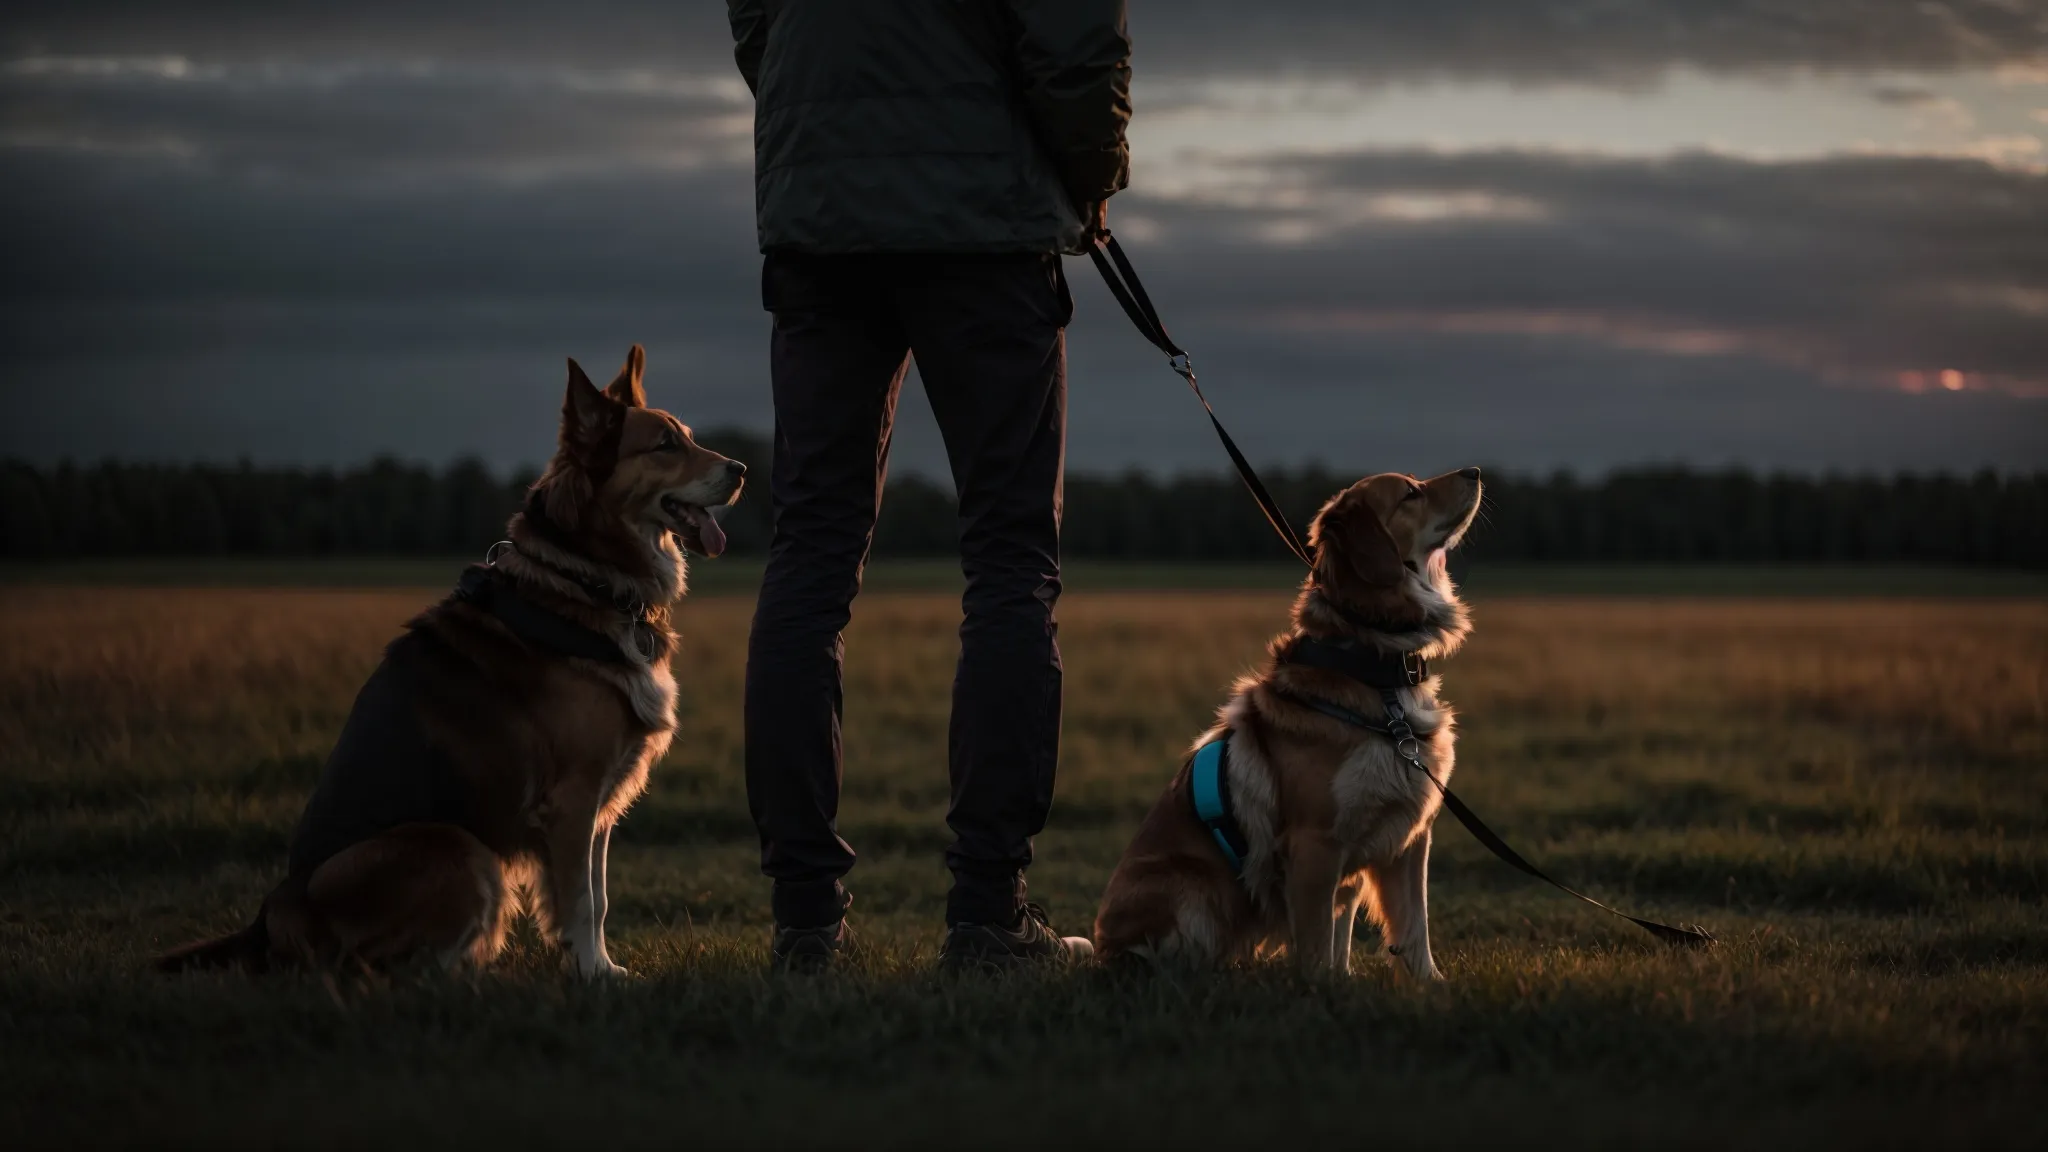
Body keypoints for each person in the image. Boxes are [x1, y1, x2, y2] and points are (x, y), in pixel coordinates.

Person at [725, 0, 1132, 970]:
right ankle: (988, 913)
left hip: (819, 216)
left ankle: (803, 925)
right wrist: (1088, 183)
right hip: (983, 226)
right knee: (1009, 562)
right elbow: (1074, 46)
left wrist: (832, 126)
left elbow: (755, 22)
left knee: (809, 555)